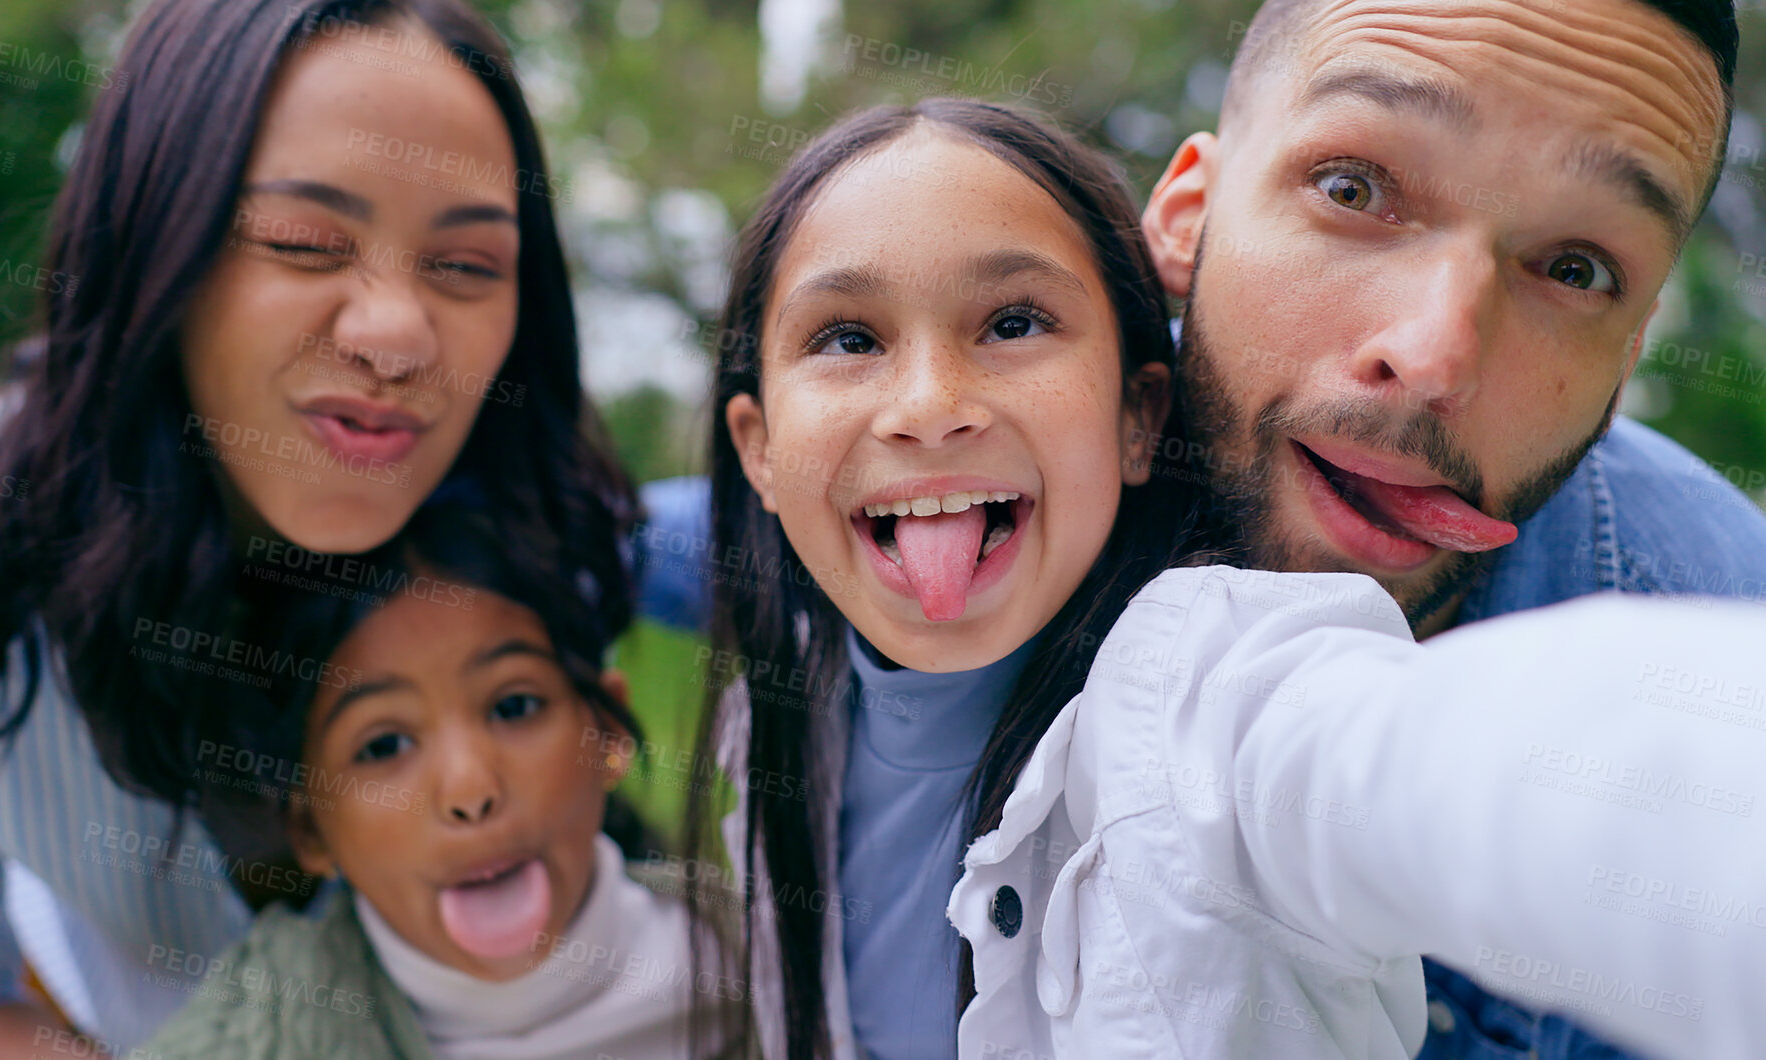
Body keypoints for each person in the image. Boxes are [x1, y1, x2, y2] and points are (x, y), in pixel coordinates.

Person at [698, 96, 1766, 1060]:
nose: (928, 404)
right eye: (847, 338)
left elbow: (1442, 765)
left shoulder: (1217, 693)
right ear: (759, 450)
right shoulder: (774, 706)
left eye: (1014, 323)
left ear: (1138, 418)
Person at [0, 1, 690, 1055]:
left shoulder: (530, 508)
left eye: (465, 265)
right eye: (306, 244)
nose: (396, 337)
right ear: (148, 248)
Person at [1138, 1, 1766, 1056]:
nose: (1434, 355)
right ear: (1189, 211)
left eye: (1575, 270)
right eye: (1353, 190)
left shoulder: (1717, 610)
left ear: (1630, 349)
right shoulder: (957, 488)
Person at [143, 502, 742, 1060]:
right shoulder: (245, 1041)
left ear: (607, 732)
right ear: (309, 827)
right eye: (383, 746)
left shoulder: (768, 962)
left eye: (514, 707)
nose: (470, 791)